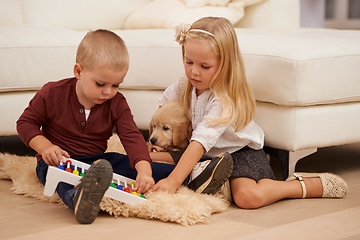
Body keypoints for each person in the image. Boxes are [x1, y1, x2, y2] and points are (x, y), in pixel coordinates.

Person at [148, 17, 348, 209]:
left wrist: (173, 181)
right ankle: (213, 178)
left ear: (225, 65)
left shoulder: (224, 99)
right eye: (188, 62)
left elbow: (199, 142)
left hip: (239, 153)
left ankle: (299, 186)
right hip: (205, 155)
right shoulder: (185, 85)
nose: (194, 72)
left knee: (248, 197)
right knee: (146, 159)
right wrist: (151, 144)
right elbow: (162, 111)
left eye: (204, 66)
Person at [17, 29, 175, 224]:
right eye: (100, 84)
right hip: (57, 161)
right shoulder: (53, 93)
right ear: (78, 71)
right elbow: (25, 123)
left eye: (116, 85)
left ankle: (193, 175)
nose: (108, 92)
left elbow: (132, 137)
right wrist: (45, 148)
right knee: (62, 179)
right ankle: (79, 199)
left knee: (129, 164)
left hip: (98, 162)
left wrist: (144, 171)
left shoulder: (117, 102)